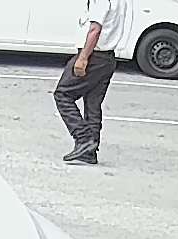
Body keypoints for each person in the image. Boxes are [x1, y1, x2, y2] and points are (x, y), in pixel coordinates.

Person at [55, 0, 130, 166]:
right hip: (107, 58)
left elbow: (95, 30)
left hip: (93, 56)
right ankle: (90, 151)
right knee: (93, 104)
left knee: (63, 94)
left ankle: (84, 139)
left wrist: (83, 58)